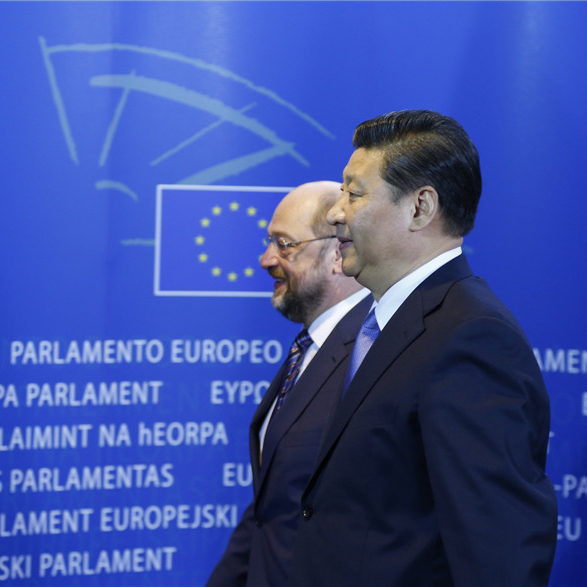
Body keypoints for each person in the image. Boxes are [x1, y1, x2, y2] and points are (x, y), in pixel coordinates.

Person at [288, 110, 557, 586]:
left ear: (420, 208)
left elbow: (498, 554)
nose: (335, 211)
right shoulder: (372, 323)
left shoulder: (472, 338)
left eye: (354, 192)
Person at [207, 181, 371, 587]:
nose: (266, 260)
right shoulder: (311, 345)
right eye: (269, 241)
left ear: (337, 252)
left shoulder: (372, 351)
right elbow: (272, 508)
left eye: (285, 244)